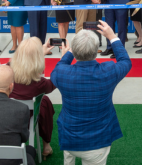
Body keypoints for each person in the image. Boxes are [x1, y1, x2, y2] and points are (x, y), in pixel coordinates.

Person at [51, 21, 131, 165]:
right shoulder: (108, 71)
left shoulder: (61, 73)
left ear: (75, 51)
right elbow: (125, 61)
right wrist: (112, 37)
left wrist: (69, 53)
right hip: (98, 141)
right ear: (96, 51)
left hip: (69, 136)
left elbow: (60, 66)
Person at [9, 37, 56, 160]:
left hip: (9, 112)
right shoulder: (40, 83)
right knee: (44, 101)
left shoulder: (6, 71)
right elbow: (55, 81)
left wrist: (40, 53)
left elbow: (21, 62)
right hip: (29, 117)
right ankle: (46, 145)